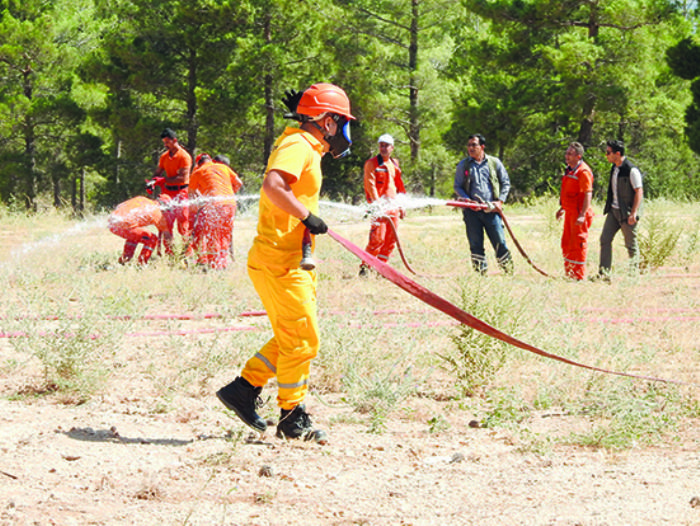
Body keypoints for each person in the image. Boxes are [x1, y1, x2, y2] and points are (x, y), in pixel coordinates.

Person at [216, 83, 355, 443]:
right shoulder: (297, 144)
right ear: (326, 122)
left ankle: (243, 390)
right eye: (340, 122)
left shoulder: (301, 142)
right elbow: (273, 185)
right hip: (280, 261)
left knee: (293, 335)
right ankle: (292, 416)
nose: (344, 131)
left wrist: (304, 115)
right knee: (304, 340)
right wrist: (307, 216)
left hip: (287, 258)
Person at [453, 133, 513, 274]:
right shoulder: (464, 165)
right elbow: (457, 186)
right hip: (471, 212)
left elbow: (505, 182)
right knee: (475, 244)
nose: (471, 148)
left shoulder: (494, 163)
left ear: (482, 147)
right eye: (469, 145)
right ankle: (481, 274)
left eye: (474, 145)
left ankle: (507, 270)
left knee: (499, 241)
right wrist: (466, 199)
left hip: (491, 211)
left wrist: (500, 201)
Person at [594, 140, 644, 279]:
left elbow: (639, 191)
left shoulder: (631, 170)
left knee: (631, 245)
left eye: (608, 152)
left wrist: (633, 213)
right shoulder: (614, 168)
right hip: (613, 210)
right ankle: (604, 274)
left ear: (617, 153)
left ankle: (634, 275)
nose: (606, 155)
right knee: (605, 239)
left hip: (626, 213)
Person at [359, 133, 406, 276]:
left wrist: (402, 205)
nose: (383, 148)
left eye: (386, 145)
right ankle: (365, 267)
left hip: (393, 207)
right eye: (381, 145)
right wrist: (378, 205)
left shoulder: (394, 164)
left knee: (390, 240)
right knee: (377, 239)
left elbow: (399, 185)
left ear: (392, 147)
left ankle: (382, 269)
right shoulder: (372, 164)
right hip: (379, 208)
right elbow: (370, 184)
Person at [188, 153, 243, 270]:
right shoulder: (223, 167)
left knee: (212, 235)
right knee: (224, 234)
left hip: (214, 206)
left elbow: (192, 194)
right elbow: (239, 182)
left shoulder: (198, 172)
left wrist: (199, 205)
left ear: (198, 164)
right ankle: (223, 263)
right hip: (230, 204)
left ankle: (214, 265)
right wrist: (231, 193)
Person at [149, 128, 192, 256]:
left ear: (175, 140)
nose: (165, 145)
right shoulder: (164, 156)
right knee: (166, 224)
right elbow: (157, 173)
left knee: (183, 224)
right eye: (164, 142)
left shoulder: (184, 156)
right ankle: (170, 254)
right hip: (167, 193)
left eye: (167, 142)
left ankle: (187, 253)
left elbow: (182, 178)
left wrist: (163, 179)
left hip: (181, 192)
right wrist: (151, 182)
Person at [555, 142, 594, 281]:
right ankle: (569, 274)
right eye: (566, 153)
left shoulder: (583, 172)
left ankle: (578, 276)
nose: (567, 156)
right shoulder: (570, 170)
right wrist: (562, 208)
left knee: (578, 243)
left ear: (579, 156)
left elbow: (588, 193)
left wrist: (582, 215)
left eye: (570, 154)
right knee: (567, 243)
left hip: (579, 214)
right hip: (570, 213)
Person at [108, 195, 171, 265]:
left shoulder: (142, 199)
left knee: (136, 235)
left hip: (113, 224)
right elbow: (167, 236)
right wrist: (172, 252)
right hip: (124, 225)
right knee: (152, 239)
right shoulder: (157, 213)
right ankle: (142, 263)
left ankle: (125, 259)